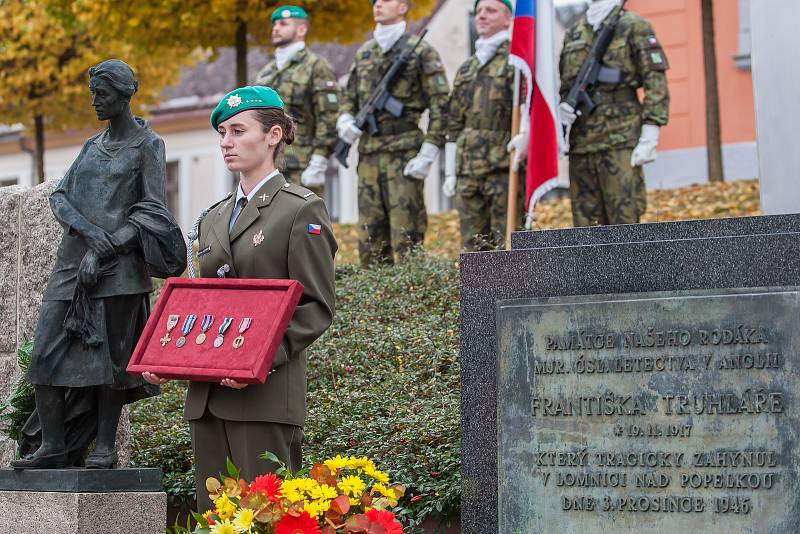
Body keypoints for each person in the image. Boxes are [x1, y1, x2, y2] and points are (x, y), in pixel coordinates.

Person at [143, 86, 337, 513]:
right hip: (209, 396)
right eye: (222, 134)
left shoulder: (300, 210)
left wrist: (261, 358)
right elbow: (199, 303)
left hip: (264, 395)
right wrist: (164, 352)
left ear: (273, 136)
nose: (225, 142)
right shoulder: (212, 216)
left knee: (267, 515)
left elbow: (316, 305)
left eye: (237, 131)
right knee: (216, 518)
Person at [12, 59, 186, 470]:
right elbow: (61, 197)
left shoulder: (148, 145)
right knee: (44, 356)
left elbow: (153, 211)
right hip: (71, 266)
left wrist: (106, 249)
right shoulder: (92, 145)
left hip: (121, 272)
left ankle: (104, 448)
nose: (94, 101)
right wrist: (90, 235)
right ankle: (53, 444)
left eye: (101, 94)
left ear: (124, 96)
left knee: (113, 360)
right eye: (92, 92)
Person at [338, 0, 449, 266]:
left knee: (406, 234)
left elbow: (441, 103)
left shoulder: (420, 51)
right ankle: (375, 301)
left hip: (405, 152)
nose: (377, 5)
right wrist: (345, 120)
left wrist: (429, 150)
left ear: (403, 7)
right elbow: (349, 97)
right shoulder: (365, 53)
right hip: (370, 154)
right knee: (370, 236)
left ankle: (410, 298)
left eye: (386, 1)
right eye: (374, 2)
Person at [559, 0, 670, 227]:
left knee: (624, 223)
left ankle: (631, 265)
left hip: (620, 139)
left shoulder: (634, 25)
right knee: (585, 228)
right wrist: (561, 116)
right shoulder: (574, 33)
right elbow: (566, 85)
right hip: (581, 142)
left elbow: (655, 81)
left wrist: (651, 131)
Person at [442, 0, 528, 251]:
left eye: (490, 10)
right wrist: (450, 169)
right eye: (479, 11)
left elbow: (528, 104)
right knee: (472, 246)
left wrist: (525, 135)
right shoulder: (468, 67)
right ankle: (478, 291)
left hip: (502, 166)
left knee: (508, 241)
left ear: (507, 19)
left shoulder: (517, 59)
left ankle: (512, 291)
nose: (482, 16)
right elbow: (454, 121)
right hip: (468, 168)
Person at [255, 5, 340, 198]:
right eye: (274, 24)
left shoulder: (316, 66)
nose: (276, 28)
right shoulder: (265, 73)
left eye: (283, 24)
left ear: (301, 30)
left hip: (303, 165)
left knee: (303, 225)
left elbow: (329, 116)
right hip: (268, 165)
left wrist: (320, 159)